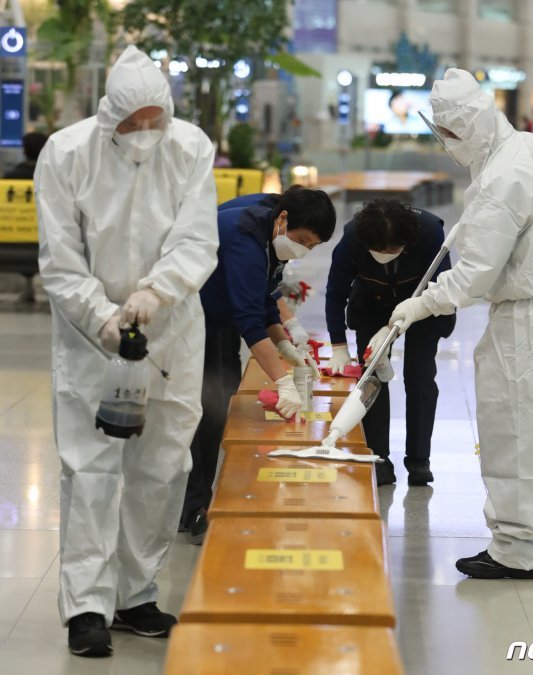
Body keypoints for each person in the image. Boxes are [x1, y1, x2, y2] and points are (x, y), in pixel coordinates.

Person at [34, 45, 219, 656]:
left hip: (170, 329)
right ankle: (86, 605)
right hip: (92, 339)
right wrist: (104, 317)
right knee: (91, 469)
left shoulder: (191, 147)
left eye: (153, 120)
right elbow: (60, 262)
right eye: (130, 122)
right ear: (106, 114)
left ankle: (135, 594)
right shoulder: (65, 153)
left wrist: (154, 294)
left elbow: (196, 240)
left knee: (164, 467)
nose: (143, 133)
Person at [387, 68, 533, 579]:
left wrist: (419, 304)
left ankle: (517, 548)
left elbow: (474, 277)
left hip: (527, 322)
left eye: (451, 135)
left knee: (514, 436)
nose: (450, 147)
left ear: (471, 126)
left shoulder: (500, 179)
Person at [181, 187, 336, 543]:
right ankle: (194, 509)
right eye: (303, 241)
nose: (304, 250)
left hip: (217, 314)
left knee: (223, 399)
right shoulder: (244, 238)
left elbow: (265, 299)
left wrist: (285, 342)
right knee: (207, 408)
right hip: (192, 317)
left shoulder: (272, 228)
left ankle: (207, 497)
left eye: (313, 246)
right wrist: (282, 381)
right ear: (284, 220)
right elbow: (249, 318)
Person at [325, 199, 455, 486]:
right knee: (371, 376)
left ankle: (419, 460)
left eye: (392, 250)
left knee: (419, 374)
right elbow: (335, 293)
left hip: (424, 304)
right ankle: (379, 457)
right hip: (372, 302)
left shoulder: (430, 233)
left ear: (406, 242)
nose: (384, 255)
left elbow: (445, 289)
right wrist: (338, 347)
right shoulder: (352, 238)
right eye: (377, 251)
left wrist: (406, 317)